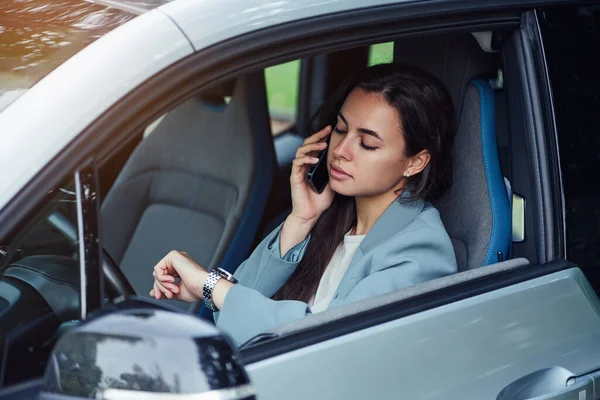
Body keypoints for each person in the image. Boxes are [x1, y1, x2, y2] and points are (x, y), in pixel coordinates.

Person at [149, 63, 458, 346]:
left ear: (415, 162)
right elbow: (240, 308)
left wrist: (211, 285)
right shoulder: (332, 215)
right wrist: (301, 218)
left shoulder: (421, 251)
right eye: (340, 129)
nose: (341, 150)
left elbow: (327, 339)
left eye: (367, 144)